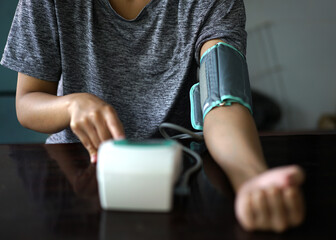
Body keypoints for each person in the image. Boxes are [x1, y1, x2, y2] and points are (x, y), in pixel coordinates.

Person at [1, 0, 305, 232]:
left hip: (177, 179)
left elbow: (223, 101)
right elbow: (27, 102)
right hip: (79, 175)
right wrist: (70, 106)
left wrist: (250, 178)